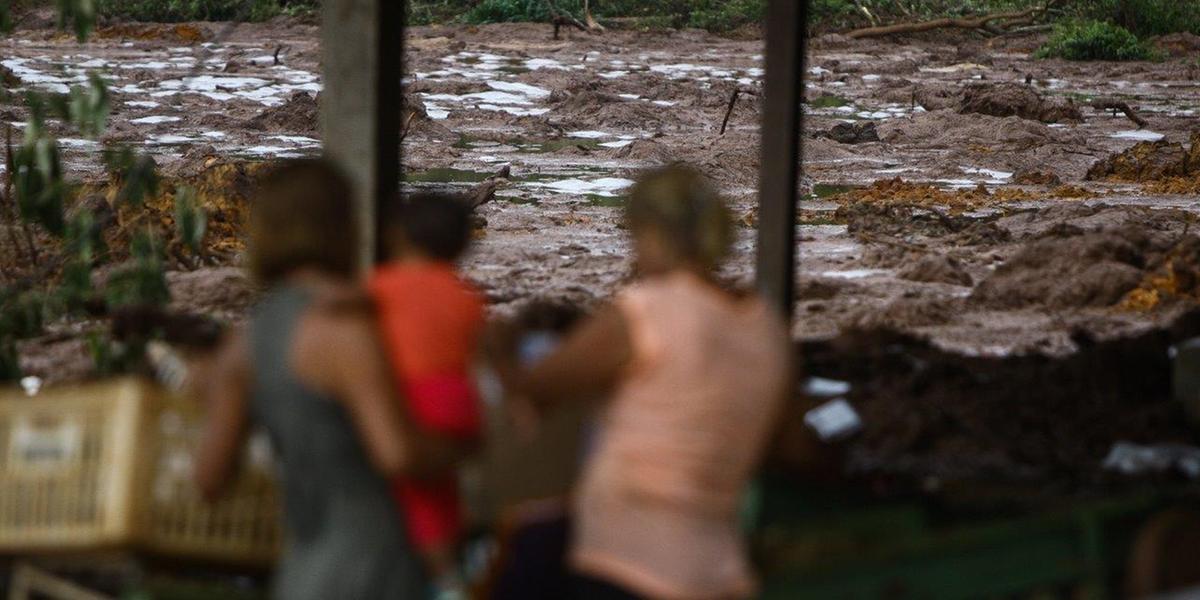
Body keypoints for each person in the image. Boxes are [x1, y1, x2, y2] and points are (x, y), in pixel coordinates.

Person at [489, 165, 792, 600]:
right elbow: (785, 441)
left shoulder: (647, 310)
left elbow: (536, 385)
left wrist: (499, 346)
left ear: (650, 232)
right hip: (721, 567)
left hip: (629, 562)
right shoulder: (765, 328)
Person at [193, 159, 450, 600]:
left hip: (301, 570)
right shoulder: (345, 330)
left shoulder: (245, 341)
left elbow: (209, 478)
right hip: (377, 565)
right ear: (342, 227)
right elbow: (396, 454)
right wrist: (462, 449)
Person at [369, 192, 485, 593]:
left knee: (407, 493)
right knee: (440, 493)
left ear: (397, 237)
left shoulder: (380, 285)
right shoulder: (465, 294)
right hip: (457, 400)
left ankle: (433, 576)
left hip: (411, 397)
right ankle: (450, 575)